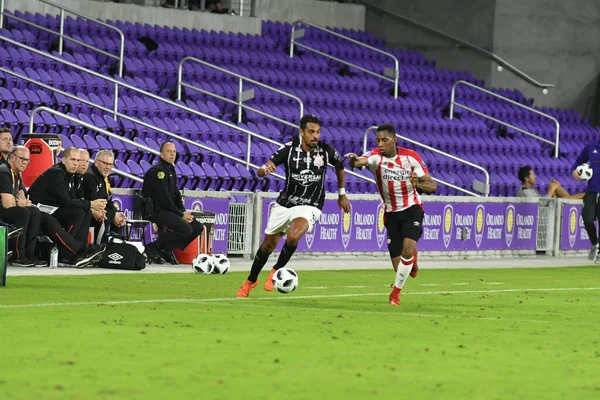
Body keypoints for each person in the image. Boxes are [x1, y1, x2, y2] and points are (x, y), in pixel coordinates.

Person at [236, 115, 351, 297]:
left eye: (318, 132)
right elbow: (261, 169)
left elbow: (340, 165)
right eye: (311, 132)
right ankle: (251, 280)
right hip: (286, 203)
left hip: (311, 204)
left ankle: (276, 271)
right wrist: (265, 170)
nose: (315, 136)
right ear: (302, 132)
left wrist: (342, 193)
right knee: (267, 245)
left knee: (293, 236)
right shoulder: (288, 150)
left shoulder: (325, 151)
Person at [345, 124, 437, 306]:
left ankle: (395, 294)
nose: (380, 144)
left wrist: (417, 183)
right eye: (377, 140)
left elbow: (432, 186)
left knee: (407, 250)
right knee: (401, 267)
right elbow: (358, 163)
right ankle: (413, 262)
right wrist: (353, 160)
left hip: (412, 209)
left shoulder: (411, 158)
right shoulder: (374, 157)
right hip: (391, 214)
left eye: (384, 140)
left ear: (394, 140)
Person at [28, 147, 107, 265]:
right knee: (78, 212)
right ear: (64, 160)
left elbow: (73, 199)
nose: (76, 164)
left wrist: (91, 208)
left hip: (54, 208)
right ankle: (75, 251)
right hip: (41, 209)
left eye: (78, 161)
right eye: (73, 160)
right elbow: (67, 201)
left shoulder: (71, 175)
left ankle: (74, 255)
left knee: (84, 212)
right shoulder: (57, 173)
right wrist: (91, 204)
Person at [142, 141, 203, 265]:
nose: (172, 154)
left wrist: (183, 211)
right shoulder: (157, 172)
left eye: (174, 151)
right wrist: (180, 215)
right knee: (185, 229)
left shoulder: (170, 170)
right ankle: (153, 247)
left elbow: (176, 195)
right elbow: (164, 199)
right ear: (161, 154)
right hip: (156, 210)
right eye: (168, 151)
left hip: (168, 209)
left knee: (197, 227)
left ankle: (166, 249)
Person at [0, 146, 46, 267]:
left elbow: (26, 200)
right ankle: (17, 255)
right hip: (2, 208)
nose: (25, 162)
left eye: (27, 160)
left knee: (34, 211)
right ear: (12, 157)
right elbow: (8, 204)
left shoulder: (16, 174)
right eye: (22, 159)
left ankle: (29, 253)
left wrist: (21, 202)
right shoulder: (4, 171)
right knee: (23, 212)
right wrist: (19, 201)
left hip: (7, 206)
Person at [83, 150, 127, 243]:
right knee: (104, 216)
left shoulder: (103, 177)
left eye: (111, 164)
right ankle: (99, 249)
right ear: (96, 163)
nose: (108, 167)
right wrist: (113, 214)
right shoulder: (89, 176)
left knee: (120, 219)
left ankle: (113, 249)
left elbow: (107, 200)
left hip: (99, 210)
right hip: (88, 211)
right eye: (105, 164)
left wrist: (117, 212)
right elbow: (96, 202)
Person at [572, 143, 600, 261]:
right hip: (592, 191)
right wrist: (574, 171)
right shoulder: (591, 147)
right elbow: (578, 161)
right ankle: (594, 243)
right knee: (587, 219)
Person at [516, 165, 583, 199]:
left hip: (547, 211)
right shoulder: (524, 192)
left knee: (556, 186)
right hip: (539, 218)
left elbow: (542, 200)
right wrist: (551, 190)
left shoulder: (532, 189)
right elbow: (540, 205)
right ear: (527, 178)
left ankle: (582, 197)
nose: (535, 176)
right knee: (555, 188)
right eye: (533, 174)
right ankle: (584, 195)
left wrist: (553, 189)